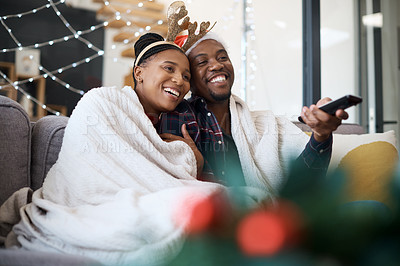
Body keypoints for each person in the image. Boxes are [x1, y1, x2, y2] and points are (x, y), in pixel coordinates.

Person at [0, 33, 222, 265]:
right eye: (169, 68)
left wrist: (193, 159)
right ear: (139, 72)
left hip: (150, 197)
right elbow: (94, 169)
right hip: (96, 205)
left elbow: (164, 170)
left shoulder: (180, 122)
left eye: (186, 76)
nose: (179, 80)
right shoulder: (104, 101)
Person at [159, 32, 349, 191]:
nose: (217, 65)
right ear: (188, 79)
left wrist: (321, 135)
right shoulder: (180, 117)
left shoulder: (266, 125)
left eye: (222, 57)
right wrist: (198, 166)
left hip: (274, 220)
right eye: (201, 62)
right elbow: (172, 187)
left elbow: (306, 182)